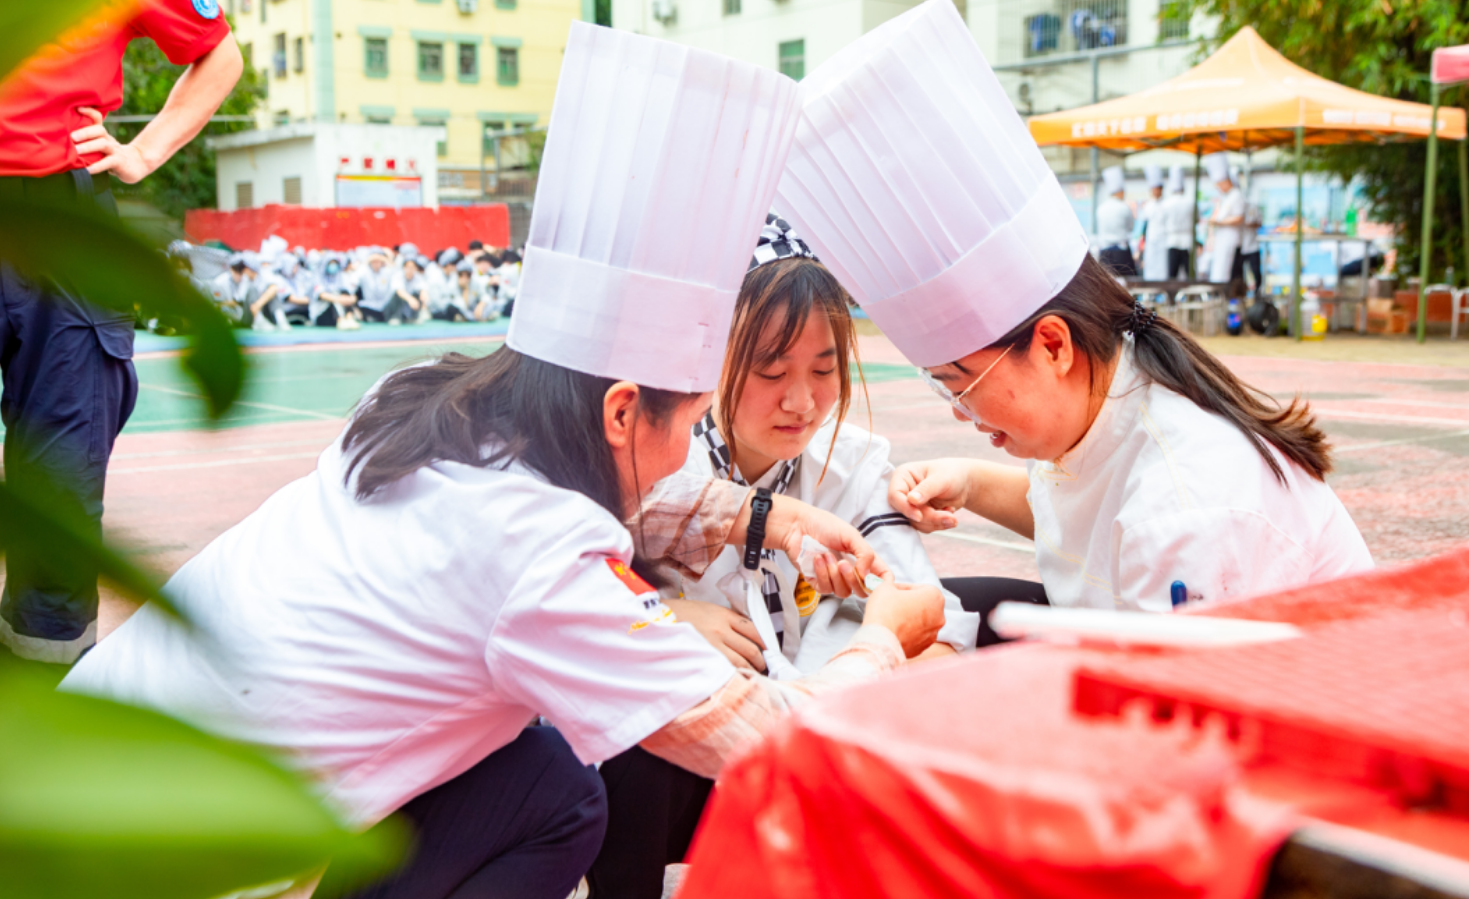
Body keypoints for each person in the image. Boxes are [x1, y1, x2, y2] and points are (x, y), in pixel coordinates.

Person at [62, 25, 944, 899]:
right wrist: (880, 639)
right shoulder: (544, 567)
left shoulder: (419, 401)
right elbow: (772, 743)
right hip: (156, 865)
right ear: (622, 408)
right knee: (565, 783)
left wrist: (763, 517)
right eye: (687, 421)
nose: (687, 449)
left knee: (541, 777)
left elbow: (611, 489)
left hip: (59, 768)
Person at [774, 0, 1373, 615]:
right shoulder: (1115, 398)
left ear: (1053, 345)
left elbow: (1166, 695)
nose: (959, 412)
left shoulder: (1182, 506)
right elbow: (1082, 509)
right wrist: (970, 479)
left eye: (958, 383)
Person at [586, 213, 980, 899]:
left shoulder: (852, 463)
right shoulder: (658, 459)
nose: (802, 402)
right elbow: (576, 576)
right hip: (699, 748)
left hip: (822, 726)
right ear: (709, 365)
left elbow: (928, 610)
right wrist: (667, 609)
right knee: (634, 747)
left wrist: (882, 613)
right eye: (771, 371)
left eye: (824, 369)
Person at [0, 0, 242, 663]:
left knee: (61, 475)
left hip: (65, 222)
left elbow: (219, 52)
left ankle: (43, 698)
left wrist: (144, 151)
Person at [1205, 153, 1246, 295]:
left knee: (1231, 274)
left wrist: (1220, 222)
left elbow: (1239, 217)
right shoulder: (1225, 198)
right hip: (1221, 240)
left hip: (1232, 240)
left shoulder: (1236, 195)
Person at [1095, 167, 1137, 278]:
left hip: (1105, 253)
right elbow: (1130, 227)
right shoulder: (1124, 207)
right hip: (1122, 253)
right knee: (1129, 284)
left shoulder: (1101, 208)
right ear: (1120, 191)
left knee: (1107, 285)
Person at [1163, 167, 1196, 280]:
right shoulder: (1191, 201)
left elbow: (1163, 221)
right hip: (1187, 240)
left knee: (1172, 275)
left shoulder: (1166, 203)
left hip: (1172, 240)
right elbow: (1197, 219)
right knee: (1189, 274)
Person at [1139, 165, 1169, 281]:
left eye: (1157, 188)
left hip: (1163, 239)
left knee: (1163, 267)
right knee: (1150, 267)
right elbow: (1144, 226)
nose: (1155, 191)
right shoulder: (1147, 205)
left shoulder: (1166, 204)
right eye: (1153, 189)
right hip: (1151, 240)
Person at [356, 249, 402, 324]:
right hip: (369, 306)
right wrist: (368, 259)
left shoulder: (386, 272)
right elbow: (355, 276)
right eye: (373, 261)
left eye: (378, 261)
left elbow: (398, 272)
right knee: (362, 306)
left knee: (397, 295)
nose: (376, 263)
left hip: (385, 306)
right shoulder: (364, 273)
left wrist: (384, 258)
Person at [391, 255, 428, 324]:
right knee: (397, 296)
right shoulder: (398, 275)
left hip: (410, 305)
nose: (409, 270)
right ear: (404, 267)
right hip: (397, 305)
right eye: (407, 267)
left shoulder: (418, 277)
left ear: (416, 268)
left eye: (412, 267)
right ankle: (395, 317)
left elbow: (423, 289)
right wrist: (410, 299)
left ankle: (414, 317)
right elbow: (399, 291)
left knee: (418, 294)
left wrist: (424, 297)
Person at [1241, 195, 1264, 296]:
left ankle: (1257, 294)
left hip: (1252, 245)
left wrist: (1249, 224)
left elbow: (1259, 223)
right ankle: (1240, 294)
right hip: (1239, 245)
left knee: (1256, 272)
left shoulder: (1252, 206)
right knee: (1238, 274)